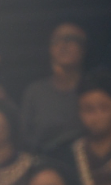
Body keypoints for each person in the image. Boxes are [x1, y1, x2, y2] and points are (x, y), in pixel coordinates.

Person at [19, 23, 90, 162]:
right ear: (50, 49)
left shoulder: (94, 88)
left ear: (83, 49)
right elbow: (23, 140)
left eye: (71, 39)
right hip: (46, 168)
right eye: (56, 41)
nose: (63, 45)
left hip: (88, 167)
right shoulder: (35, 92)